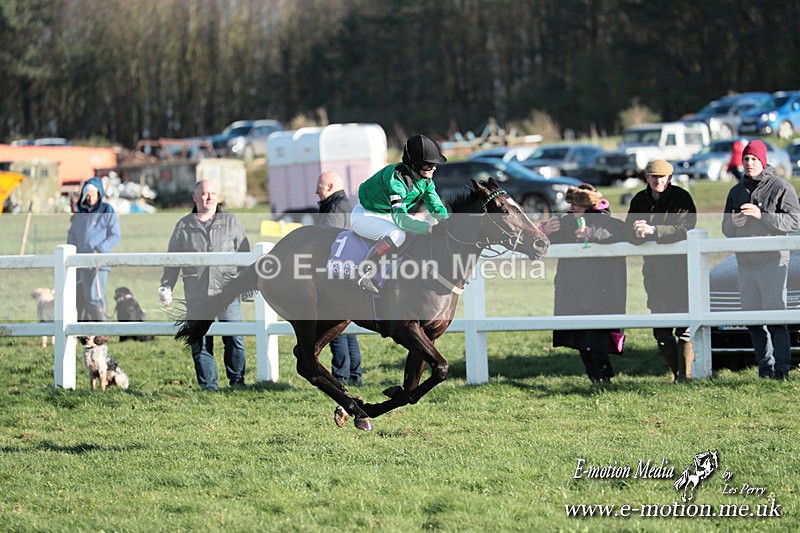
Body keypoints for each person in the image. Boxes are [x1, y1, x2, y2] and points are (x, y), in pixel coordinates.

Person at [160, 179, 251, 390]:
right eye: (204, 193)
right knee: (200, 342)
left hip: (227, 292)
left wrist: (247, 288)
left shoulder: (231, 221)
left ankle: (237, 383)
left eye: (212, 193)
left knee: (234, 338)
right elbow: (172, 260)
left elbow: (245, 255)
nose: (209, 197)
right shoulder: (184, 225)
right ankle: (208, 386)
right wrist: (167, 285)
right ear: (195, 197)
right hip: (197, 293)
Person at [722, 140, 800, 380]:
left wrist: (762, 215)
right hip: (745, 263)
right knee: (753, 320)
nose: (749, 163)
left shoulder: (781, 187)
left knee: (776, 319)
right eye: (746, 159)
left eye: (754, 159)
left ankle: (782, 370)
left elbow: (795, 221)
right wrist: (733, 224)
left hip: (773, 262)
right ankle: (765, 368)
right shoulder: (736, 191)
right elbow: (725, 228)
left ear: (763, 161)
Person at [540, 184, 626, 383]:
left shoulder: (606, 220)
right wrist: (545, 231)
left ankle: (604, 377)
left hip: (600, 290)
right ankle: (593, 377)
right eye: (571, 203)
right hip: (571, 288)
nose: (572, 208)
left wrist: (592, 233)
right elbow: (542, 244)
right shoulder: (565, 222)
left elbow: (618, 233)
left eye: (577, 204)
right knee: (579, 337)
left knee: (595, 337)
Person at [625, 160, 697, 382]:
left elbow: (686, 228)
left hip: (681, 271)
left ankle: (685, 376)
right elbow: (628, 231)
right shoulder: (639, 200)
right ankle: (677, 375)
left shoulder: (682, 198)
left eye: (662, 176)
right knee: (661, 329)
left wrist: (654, 230)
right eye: (653, 176)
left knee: (684, 326)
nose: (658, 180)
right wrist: (635, 234)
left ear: (670, 177)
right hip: (654, 271)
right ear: (646, 177)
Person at [350, 134, 449, 293]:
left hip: (387, 214)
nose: (434, 167)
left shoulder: (426, 181)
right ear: (415, 164)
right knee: (398, 235)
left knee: (415, 232)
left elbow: (436, 206)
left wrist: (448, 223)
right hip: (365, 215)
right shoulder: (396, 180)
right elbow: (401, 220)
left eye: (434, 164)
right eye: (429, 164)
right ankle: (364, 272)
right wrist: (429, 228)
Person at [316, 170, 363, 386]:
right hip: (350, 275)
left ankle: (341, 376)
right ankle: (354, 374)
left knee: (334, 327)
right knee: (347, 327)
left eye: (320, 187)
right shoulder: (346, 204)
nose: (316, 191)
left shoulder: (334, 208)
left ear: (330, 186)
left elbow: (326, 242)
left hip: (337, 277)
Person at [67, 176, 121, 321]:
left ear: (99, 194)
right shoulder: (81, 214)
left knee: (95, 296)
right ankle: (92, 333)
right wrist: (71, 252)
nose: (90, 198)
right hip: (82, 262)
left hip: (99, 262)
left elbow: (115, 235)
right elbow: (72, 234)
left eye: (93, 194)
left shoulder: (107, 210)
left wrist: (100, 249)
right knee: (86, 297)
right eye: (88, 195)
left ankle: (102, 331)